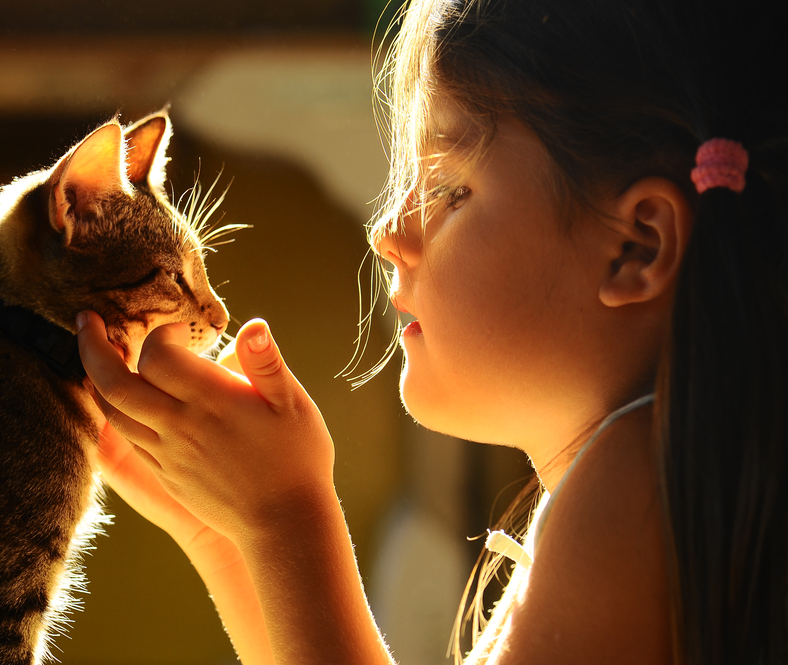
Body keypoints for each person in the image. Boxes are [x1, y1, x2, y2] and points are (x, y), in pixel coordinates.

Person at [75, 0, 788, 662]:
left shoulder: (632, 493)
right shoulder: (636, 474)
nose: (388, 232)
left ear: (638, 246)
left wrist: (285, 515)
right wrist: (233, 540)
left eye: (449, 189)